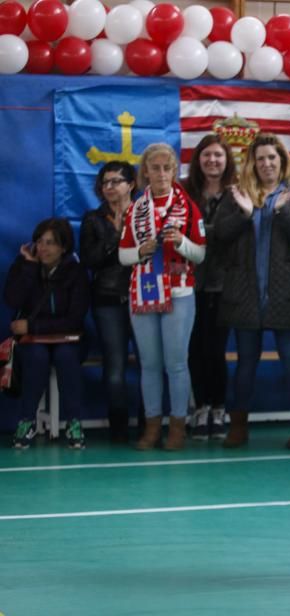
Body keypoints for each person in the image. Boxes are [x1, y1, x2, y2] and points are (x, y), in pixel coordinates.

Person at [213, 133, 290, 449]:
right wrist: (243, 213)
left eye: (272, 157)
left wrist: (283, 211)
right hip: (245, 294)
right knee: (245, 363)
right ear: (252, 164)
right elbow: (220, 236)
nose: (267, 163)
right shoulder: (237, 195)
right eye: (260, 159)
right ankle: (238, 425)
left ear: (282, 161)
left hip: (285, 294)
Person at [119, 143, 206, 451]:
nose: (160, 173)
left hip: (179, 290)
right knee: (150, 364)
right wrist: (140, 251)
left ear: (174, 171)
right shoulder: (135, 208)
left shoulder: (188, 206)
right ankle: (153, 426)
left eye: (166, 168)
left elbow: (201, 252)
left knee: (176, 363)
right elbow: (122, 255)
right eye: (154, 168)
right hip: (143, 291)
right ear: (145, 172)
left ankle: (178, 427)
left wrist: (181, 243)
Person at [5, 218, 90, 449]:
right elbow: (12, 299)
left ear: (63, 247)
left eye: (50, 243)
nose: (43, 248)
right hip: (32, 342)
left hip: (69, 337)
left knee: (65, 357)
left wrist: (33, 327)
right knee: (36, 357)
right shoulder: (24, 265)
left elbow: (75, 318)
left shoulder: (76, 271)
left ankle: (74, 422)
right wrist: (30, 268)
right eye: (40, 242)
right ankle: (27, 421)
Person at [80, 161, 140, 443]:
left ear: (131, 184)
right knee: (114, 367)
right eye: (105, 182)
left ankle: (148, 422)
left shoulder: (145, 213)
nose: (110, 187)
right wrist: (116, 235)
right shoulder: (93, 219)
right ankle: (118, 425)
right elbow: (91, 261)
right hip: (107, 300)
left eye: (116, 181)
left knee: (148, 365)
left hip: (145, 297)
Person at [182, 135, 237, 441]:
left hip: (222, 284)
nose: (212, 160)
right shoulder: (186, 191)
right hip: (187, 282)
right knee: (193, 349)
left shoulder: (236, 193)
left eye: (218, 155)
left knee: (215, 349)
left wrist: (201, 233)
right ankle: (199, 406)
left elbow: (232, 233)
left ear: (227, 159)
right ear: (198, 160)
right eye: (206, 155)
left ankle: (219, 407)